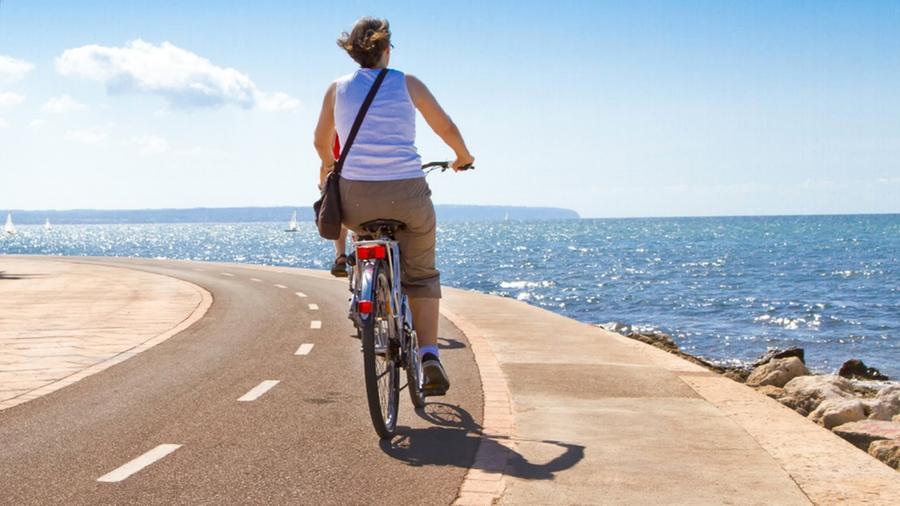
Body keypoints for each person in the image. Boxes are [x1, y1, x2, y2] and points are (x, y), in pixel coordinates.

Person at [313, 17, 474, 395]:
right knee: (421, 275)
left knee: (363, 237)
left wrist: (333, 167)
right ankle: (430, 355)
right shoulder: (407, 82)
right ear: (387, 49)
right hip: (407, 194)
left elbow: (321, 143)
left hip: (354, 197)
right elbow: (444, 126)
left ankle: (370, 292)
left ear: (353, 51)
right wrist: (462, 156)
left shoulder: (336, 88)